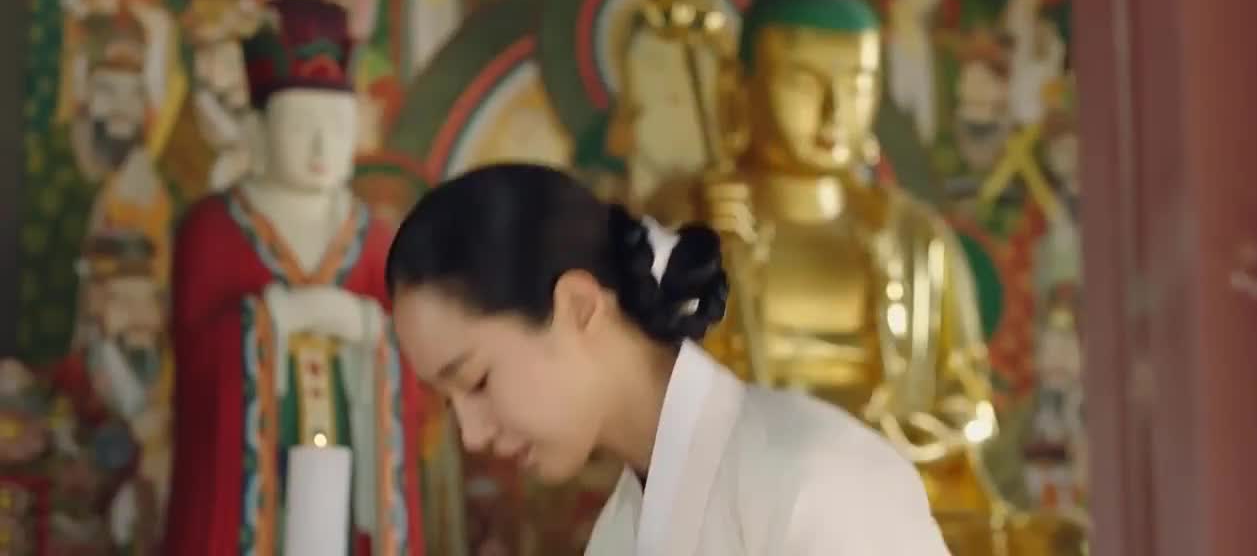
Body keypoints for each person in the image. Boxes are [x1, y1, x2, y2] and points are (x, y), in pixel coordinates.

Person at [386, 163, 950, 555]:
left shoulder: (815, 480)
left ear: (579, 306)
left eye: (477, 381)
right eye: (450, 402)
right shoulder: (618, 535)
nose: (472, 435)